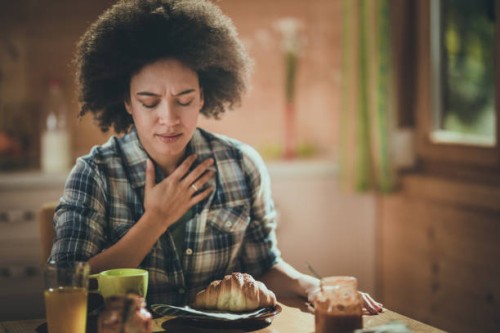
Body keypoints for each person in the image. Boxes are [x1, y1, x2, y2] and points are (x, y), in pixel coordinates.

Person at [50, 0, 382, 314]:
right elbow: (68, 286)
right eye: (149, 101)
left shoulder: (241, 164)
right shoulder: (94, 174)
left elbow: (263, 266)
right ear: (126, 102)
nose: (169, 117)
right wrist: (156, 219)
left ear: (203, 96)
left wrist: (309, 285)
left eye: (184, 98)